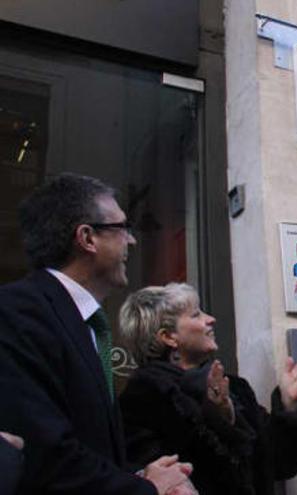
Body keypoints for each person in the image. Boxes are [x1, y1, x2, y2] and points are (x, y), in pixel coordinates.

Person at [0, 173, 195, 494]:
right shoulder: (18, 313)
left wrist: (137, 477)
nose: (131, 240)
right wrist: (147, 490)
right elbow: (43, 455)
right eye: (121, 229)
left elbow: (88, 447)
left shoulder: (83, 322)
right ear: (87, 238)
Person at [117, 283, 297, 495]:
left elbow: (278, 464)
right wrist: (220, 421)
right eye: (196, 315)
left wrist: (290, 403)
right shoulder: (145, 398)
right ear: (169, 337)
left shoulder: (236, 389)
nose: (210, 319)